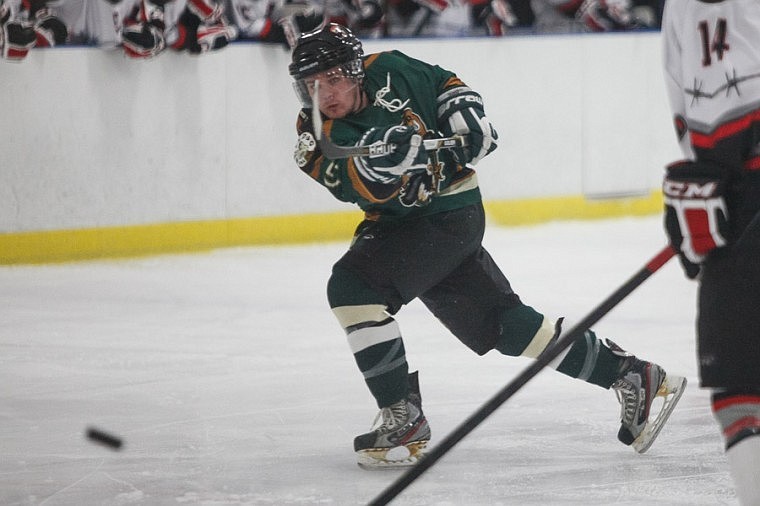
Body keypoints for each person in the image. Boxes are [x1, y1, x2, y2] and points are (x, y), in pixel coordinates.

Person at [288, 22, 686, 469]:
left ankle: (403, 418)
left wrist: (464, 113)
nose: (326, 95)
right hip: (410, 228)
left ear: (356, 71)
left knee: (352, 289)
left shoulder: (393, 69)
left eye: (334, 79)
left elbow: (445, 85)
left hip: (449, 216)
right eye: (313, 85)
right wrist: (385, 160)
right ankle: (632, 375)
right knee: (507, 326)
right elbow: (359, 188)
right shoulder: (314, 137)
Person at [661, 1, 760, 504]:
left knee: (740, 382)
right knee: (738, 386)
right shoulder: (679, 8)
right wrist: (702, 179)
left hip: (742, 189)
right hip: (736, 197)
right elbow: (683, 96)